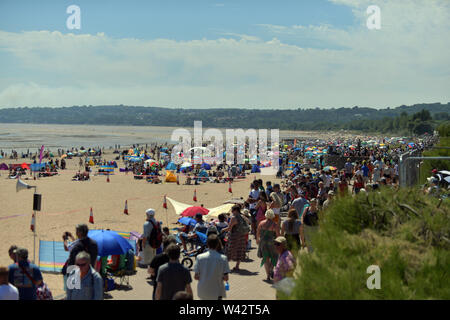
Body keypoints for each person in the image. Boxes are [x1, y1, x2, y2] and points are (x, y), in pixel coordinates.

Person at [194, 234, 230, 300]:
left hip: (203, 291)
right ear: (218, 244)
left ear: (207, 244)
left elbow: (196, 277)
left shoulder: (199, 258)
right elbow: (226, 278)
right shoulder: (223, 258)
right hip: (217, 291)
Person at [221, 205, 249, 272]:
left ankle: (225, 266)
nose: (231, 211)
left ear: (235, 210)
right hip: (242, 235)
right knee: (240, 249)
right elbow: (248, 222)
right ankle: (237, 266)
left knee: (229, 250)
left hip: (234, 236)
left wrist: (223, 230)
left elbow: (229, 228)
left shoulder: (234, 218)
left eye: (232, 210)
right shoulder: (243, 216)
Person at [149, 236, 178, 300]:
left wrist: (154, 273)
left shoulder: (157, 257)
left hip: (158, 286)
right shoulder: (175, 259)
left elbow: (150, 271)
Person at [256, 209, 280, 281]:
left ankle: (268, 276)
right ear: (272, 216)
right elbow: (278, 235)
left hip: (263, 242)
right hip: (272, 243)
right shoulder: (275, 225)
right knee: (273, 257)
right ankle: (270, 270)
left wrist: (257, 239)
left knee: (266, 259)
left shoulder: (261, 223)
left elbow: (258, 232)